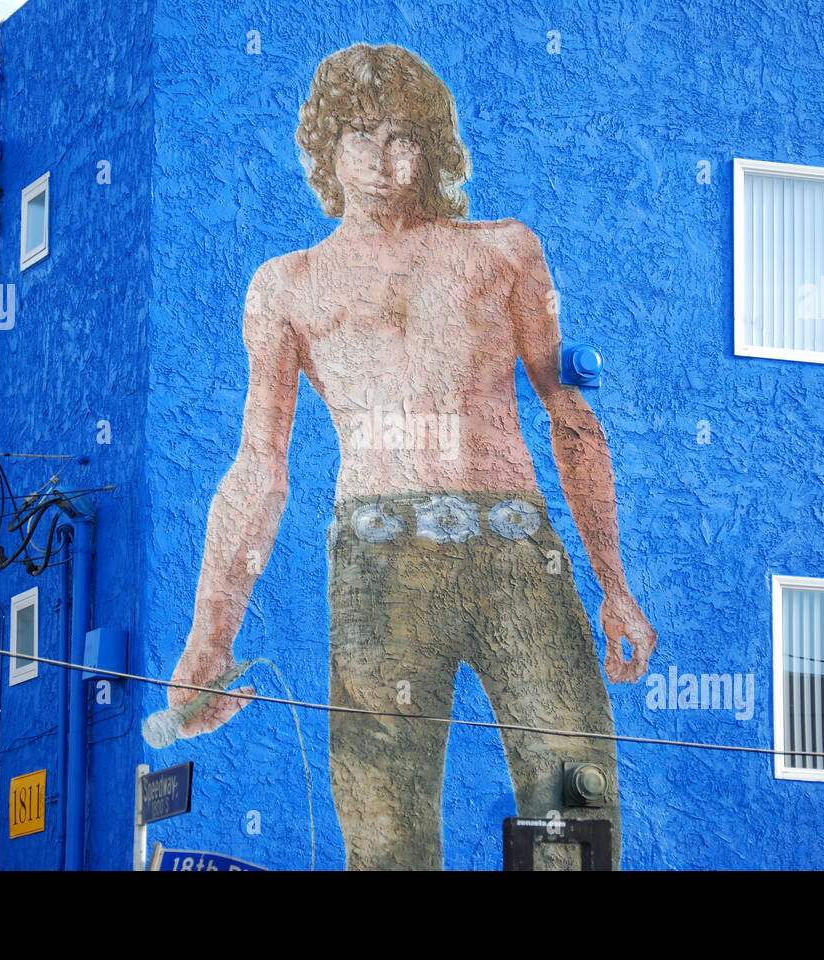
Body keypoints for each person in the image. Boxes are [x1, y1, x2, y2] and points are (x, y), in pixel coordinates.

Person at [164, 42, 657, 869]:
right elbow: (259, 468)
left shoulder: (504, 250)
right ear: (327, 147)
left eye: (404, 135)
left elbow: (568, 413)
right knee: (385, 836)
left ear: (432, 144)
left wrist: (614, 583)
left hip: (516, 554)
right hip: (378, 563)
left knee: (574, 805)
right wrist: (208, 640)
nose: (385, 159)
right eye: (361, 134)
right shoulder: (286, 286)